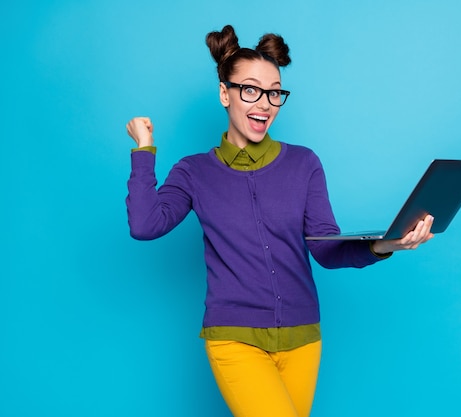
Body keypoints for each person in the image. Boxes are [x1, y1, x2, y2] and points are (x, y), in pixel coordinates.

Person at [125, 24, 434, 417]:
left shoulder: (304, 163)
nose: (265, 103)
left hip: (303, 339)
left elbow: (325, 248)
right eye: (251, 89)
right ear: (225, 93)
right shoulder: (193, 172)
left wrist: (388, 244)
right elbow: (144, 225)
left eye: (274, 92)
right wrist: (144, 149)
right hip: (234, 338)